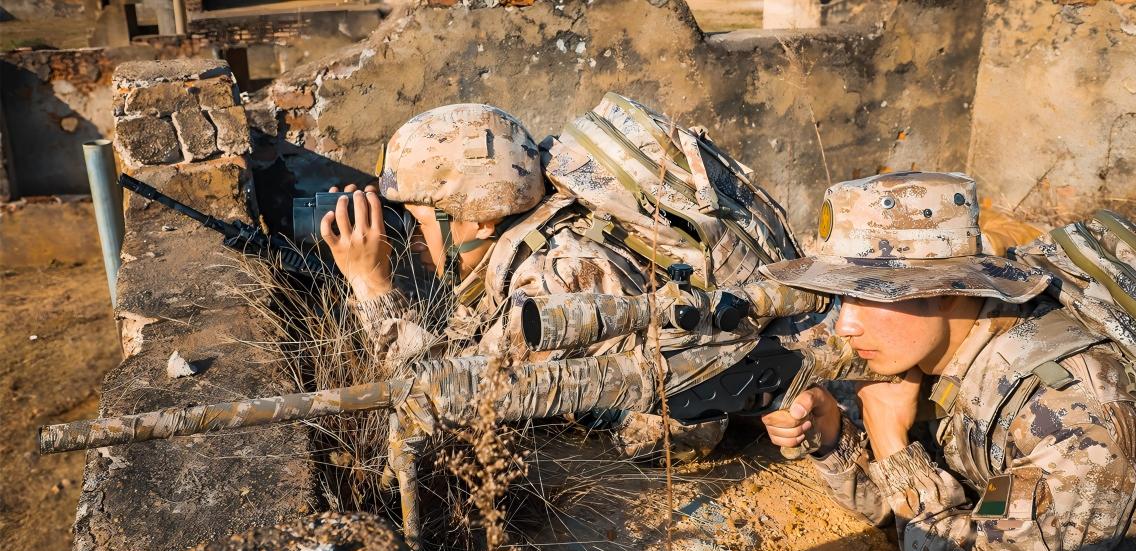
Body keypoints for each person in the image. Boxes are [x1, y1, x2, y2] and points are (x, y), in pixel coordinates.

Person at [759, 171, 1136, 551]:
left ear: (946, 289)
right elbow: (919, 516)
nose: (845, 323)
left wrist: (893, 446)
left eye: (868, 293)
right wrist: (835, 438)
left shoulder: (1071, 418)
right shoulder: (953, 351)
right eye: (841, 297)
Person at [319, 103, 789, 461]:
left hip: (688, 405)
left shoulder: (552, 278)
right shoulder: (530, 227)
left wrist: (371, 284)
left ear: (480, 221)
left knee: (631, 437)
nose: (408, 237)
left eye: (416, 220)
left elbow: (441, 397)